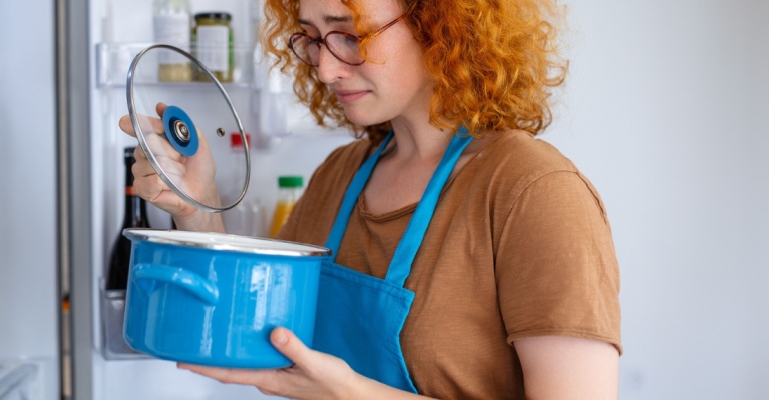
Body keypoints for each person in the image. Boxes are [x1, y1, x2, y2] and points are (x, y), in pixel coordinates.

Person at [119, 0, 622, 397]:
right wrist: (196, 205)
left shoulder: (534, 192)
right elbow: (256, 329)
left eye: (348, 35)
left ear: (439, 22)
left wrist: (353, 395)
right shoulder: (340, 176)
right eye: (313, 39)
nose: (324, 69)